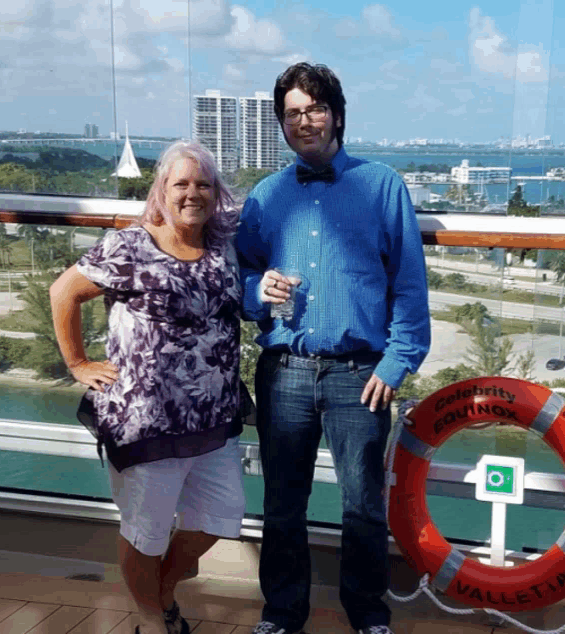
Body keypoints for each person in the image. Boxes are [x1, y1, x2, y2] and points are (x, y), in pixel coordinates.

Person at [235, 63, 431, 634]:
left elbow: (410, 284)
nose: (305, 121)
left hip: (361, 373)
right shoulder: (267, 196)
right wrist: (256, 290)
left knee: (364, 507)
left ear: (337, 115)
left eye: (315, 109)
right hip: (284, 371)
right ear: (282, 124)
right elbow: (240, 273)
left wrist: (397, 361)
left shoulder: (382, 185)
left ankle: (368, 615)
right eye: (292, 113)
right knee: (282, 507)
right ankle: (282, 615)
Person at [50, 141, 246, 634]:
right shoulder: (130, 245)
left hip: (214, 415)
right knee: (147, 529)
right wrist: (77, 362)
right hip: (146, 419)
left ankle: (158, 592)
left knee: (220, 516)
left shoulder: (222, 241)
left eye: (203, 184)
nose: (192, 193)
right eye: (180, 183)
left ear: (216, 193)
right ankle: (150, 616)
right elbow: (63, 292)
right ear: (161, 190)